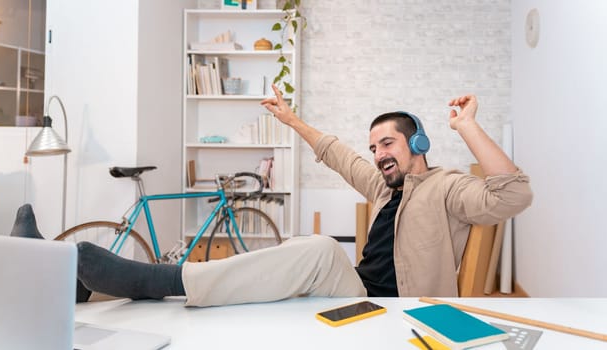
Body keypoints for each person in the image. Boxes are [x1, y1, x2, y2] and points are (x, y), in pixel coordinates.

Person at [73, 85, 532, 307]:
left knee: (318, 247)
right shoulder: (382, 186)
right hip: (357, 286)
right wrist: (292, 121)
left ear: (418, 144)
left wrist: (466, 125)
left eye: (387, 144)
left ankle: (163, 282)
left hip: (400, 305)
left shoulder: (447, 187)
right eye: (373, 148)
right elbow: (336, 153)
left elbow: (513, 195)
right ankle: (73, 280)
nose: (376, 155)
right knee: (299, 254)